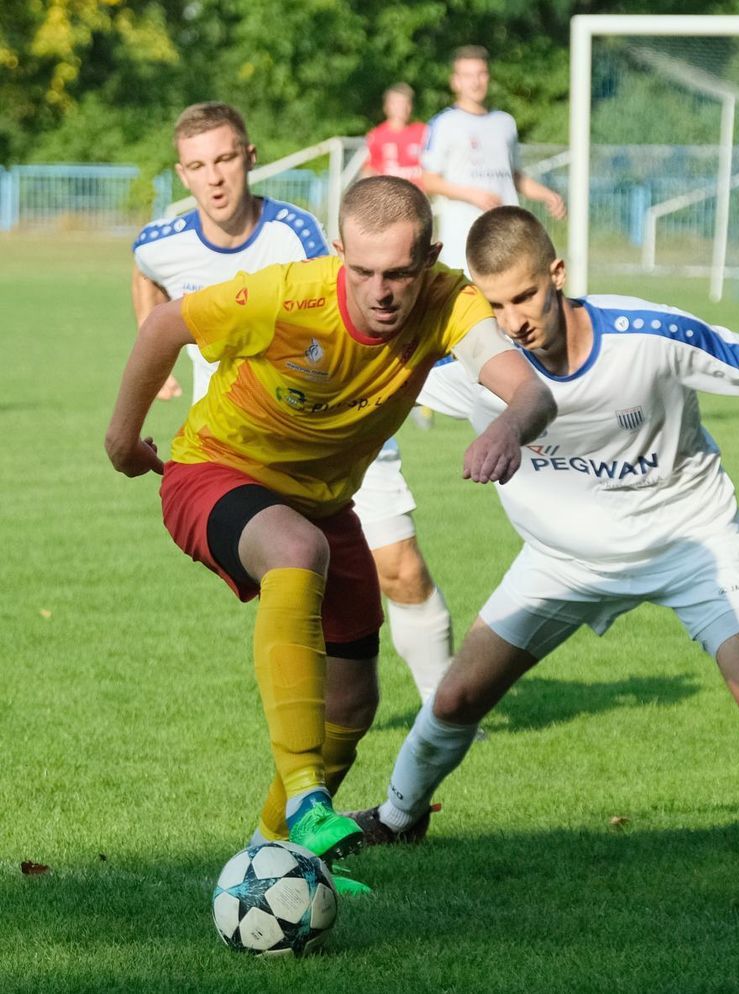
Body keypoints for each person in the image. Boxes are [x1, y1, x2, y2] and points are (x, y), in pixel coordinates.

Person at [348, 206, 739, 883]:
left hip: (691, 545)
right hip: (562, 563)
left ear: (557, 274)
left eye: (523, 295)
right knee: (457, 699)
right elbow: (363, 367)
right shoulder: (475, 360)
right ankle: (399, 819)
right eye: (494, 305)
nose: (513, 319)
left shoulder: (651, 335)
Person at [106, 178, 556, 893]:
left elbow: (530, 391)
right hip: (213, 472)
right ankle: (310, 796)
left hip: (321, 501)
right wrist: (122, 443)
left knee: (352, 703)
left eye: (400, 274)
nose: (382, 291)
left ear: (431, 260)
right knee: (295, 550)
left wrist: (505, 426)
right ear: (340, 252)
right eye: (365, 271)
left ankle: (271, 855)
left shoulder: (448, 302)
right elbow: (165, 326)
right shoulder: (286, 296)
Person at [133, 102, 459, 715]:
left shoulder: (298, 236)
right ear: (183, 175)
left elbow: (354, 311)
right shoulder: (159, 244)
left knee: (401, 570)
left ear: (250, 157)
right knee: (295, 572)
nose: (216, 177)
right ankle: (308, 752)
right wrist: (159, 377)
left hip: (346, 426)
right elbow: (149, 290)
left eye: (226, 158)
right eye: (199, 165)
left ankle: (441, 714)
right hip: (242, 450)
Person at [423, 45, 566, 272]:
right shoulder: (444, 123)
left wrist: (547, 194)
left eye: (481, 74)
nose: (476, 82)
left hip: (507, 232)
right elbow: (429, 180)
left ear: (489, 77)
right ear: (455, 81)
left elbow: (514, 176)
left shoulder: (505, 122)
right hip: (464, 235)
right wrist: (472, 194)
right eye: (468, 75)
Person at [362, 82, 427, 187]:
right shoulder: (376, 135)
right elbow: (368, 171)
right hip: (390, 197)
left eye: (406, 103)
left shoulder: (423, 132)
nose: (402, 108)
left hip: (417, 196)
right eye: (397, 103)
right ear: (386, 106)